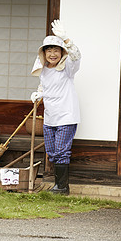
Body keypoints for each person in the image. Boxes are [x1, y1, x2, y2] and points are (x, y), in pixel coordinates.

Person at [30, 19, 81, 195]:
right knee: (51, 152)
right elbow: (44, 87)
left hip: (66, 116)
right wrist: (38, 94)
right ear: (43, 53)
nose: (52, 54)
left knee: (61, 151)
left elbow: (76, 56)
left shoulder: (67, 68)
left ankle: (62, 187)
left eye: (56, 50)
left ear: (61, 52)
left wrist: (66, 39)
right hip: (50, 117)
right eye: (49, 50)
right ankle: (59, 185)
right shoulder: (43, 70)